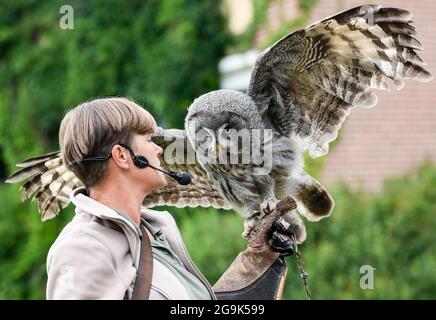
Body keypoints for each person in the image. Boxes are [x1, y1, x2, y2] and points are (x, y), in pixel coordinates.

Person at [46, 97, 297, 300]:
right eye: (148, 140)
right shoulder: (84, 248)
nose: (159, 149)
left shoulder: (154, 236)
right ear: (122, 156)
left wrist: (256, 259)